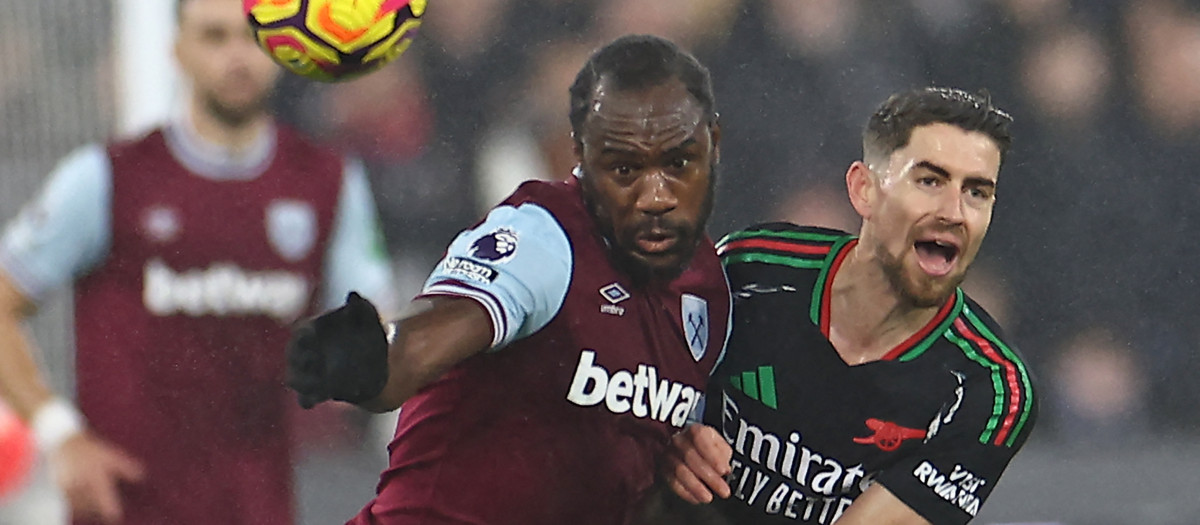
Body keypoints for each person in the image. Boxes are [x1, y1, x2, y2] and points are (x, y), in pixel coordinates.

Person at [286, 34, 731, 525]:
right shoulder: (543, 237)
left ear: (714, 142)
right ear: (580, 158)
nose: (655, 197)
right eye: (624, 168)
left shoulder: (712, 290)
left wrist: (682, 462)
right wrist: (374, 360)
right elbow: (429, 339)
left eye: (678, 163)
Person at [0, 0, 395, 523]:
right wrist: (59, 434)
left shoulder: (327, 182)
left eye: (253, 38)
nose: (237, 57)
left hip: (262, 508)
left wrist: (355, 359)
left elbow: (378, 329)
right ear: (176, 51)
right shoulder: (108, 177)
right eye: (214, 37)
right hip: (128, 509)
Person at [662, 87, 1038, 524]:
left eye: (976, 192)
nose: (954, 212)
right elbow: (630, 399)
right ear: (864, 190)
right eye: (930, 181)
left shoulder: (991, 389)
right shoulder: (749, 271)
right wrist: (665, 436)